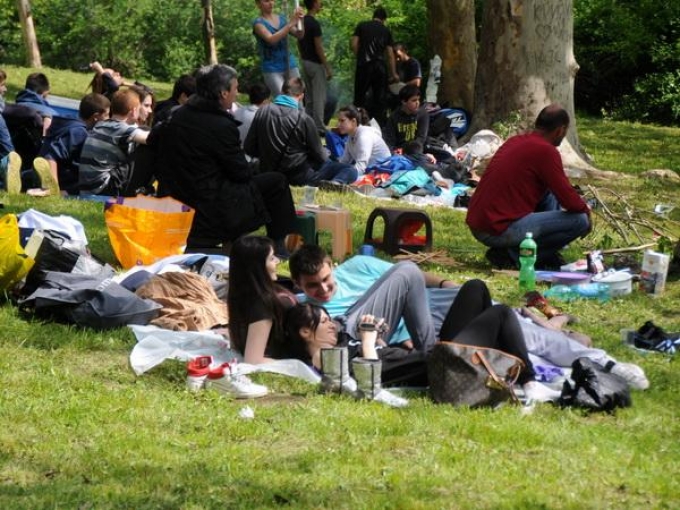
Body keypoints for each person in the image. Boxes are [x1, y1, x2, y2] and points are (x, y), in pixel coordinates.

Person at [288, 244, 650, 391]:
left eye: (326, 279)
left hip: (429, 308)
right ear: (299, 285)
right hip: (415, 341)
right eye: (313, 286)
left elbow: (414, 279)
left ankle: (597, 358)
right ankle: (576, 357)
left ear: (333, 265)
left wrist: (449, 285)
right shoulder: (314, 314)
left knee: (479, 292)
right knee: (503, 319)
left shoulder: (358, 266)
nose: (323, 289)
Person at [286, 279, 562, 402]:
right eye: (324, 322)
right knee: (500, 314)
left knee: (475, 288)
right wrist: (368, 341)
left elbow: (386, 361)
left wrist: (378, 340)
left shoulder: (342, 344)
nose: (332, 326)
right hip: (441, 369)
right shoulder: (323, 359)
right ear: (305, 333)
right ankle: (530, 382)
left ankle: (491, 365)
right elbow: (369, 383)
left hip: (433, 355)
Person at [155, 64, 296, 255]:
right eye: (235, 88)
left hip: (176, 199)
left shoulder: (176, 115)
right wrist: (256, 166)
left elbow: (153, 141)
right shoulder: (221, 125)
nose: (237, 93)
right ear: (223, 93)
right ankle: (280, 247)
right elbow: (240, 173)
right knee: (277, 181)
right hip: (208, 207)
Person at [466, 104, 591, 270]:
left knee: (548, 193)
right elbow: (567, 198)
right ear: (560, 130)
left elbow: (558, 190)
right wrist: (586, 211)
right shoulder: (546, 151)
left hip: (480, 223)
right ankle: (514, 255)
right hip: (497, 229)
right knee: (580, 220)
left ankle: (543, 254)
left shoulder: (515, 141)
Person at [227, 235, 298, 364]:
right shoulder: (263, 304)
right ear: (257, 267)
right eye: (271, 258)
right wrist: (298, 365)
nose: (277, 261)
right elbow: (253, 359)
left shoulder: (241, 295)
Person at [244, 77, 326, 185]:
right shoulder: (304, 119)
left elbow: (248, 147)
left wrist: (266, 155)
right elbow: (320, 156)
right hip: (296, 176)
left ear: (282, 92)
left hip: (266, 172)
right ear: (301, 96)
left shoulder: (262, 111)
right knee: (337, 168)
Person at [78, 88, 149, 196]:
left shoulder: (102, 124)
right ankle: (143, 192)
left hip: (87, 188)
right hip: (103, 189)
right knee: (149, 149)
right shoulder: (121, 129)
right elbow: (151, 138)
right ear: (133, 111)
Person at [37, 92, 110, 195]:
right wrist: (53, 187)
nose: (108, 119)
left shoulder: (66, 123)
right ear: (96, 116)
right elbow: (51, 155)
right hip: (63, 178)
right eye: (106, 115)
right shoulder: (78, 132)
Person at [312, 104, 390, 185]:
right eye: (338, 121)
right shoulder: (351, 136)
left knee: (351, 171)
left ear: (353, 121)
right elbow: (344, 161)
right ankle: (314, 181)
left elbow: (361, 167)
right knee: (330, 164)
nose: (338, 125)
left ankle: (336, 183)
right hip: (366, 171)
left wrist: (342, 171)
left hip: (378, 174)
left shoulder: (364, 136)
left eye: (342, 121)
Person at [351, 7, 398, 126]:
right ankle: (378, 126)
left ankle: (356, 124)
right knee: (379, 100)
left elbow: (354, 44)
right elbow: (390, 54)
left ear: (373, 16)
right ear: (384, 19)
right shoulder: (386, 31)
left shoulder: (362, 26)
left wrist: (360, 57)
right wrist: (394, 73)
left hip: (364, 65)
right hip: (379, 67)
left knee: (359, 97)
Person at [253, 0, 305, 97]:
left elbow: (299, 35)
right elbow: (271, 39)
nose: (270, 3)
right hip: (272, 69)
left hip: (290, 64)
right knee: (283, 99)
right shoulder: (258, 24)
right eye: (266, 1)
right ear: (258, 3)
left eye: (272, 0)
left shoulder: (282, 19)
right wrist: (290, 23)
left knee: (297, 97)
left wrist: (300, 20)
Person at [297, 0, 332, 135]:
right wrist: (327, 67)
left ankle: (307, 124)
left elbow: (299, 41)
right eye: (318, 1)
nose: (320, 3)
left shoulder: (302, 21)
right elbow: (318, 47)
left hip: (305, 62)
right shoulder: (314, 24)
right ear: (314, 4)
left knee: (310, 98)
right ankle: (319, 127)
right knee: (319, 97)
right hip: (315, 64)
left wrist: (302, 57)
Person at [383, 84, 430, 152]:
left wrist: (404, 149)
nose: (417, 103)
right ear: (404, 102)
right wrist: (394, 150)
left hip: (415, 149)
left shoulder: (423, 114)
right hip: (398, 150)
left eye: (418, 100)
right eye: (414, 100)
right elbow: (390, 140)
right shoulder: (394, 117)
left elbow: (421, 138)